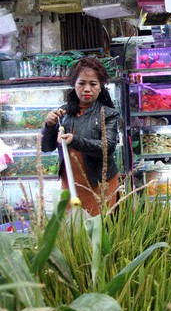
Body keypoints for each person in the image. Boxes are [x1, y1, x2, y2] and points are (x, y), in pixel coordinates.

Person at [41, 57, 120, 216]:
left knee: (100, 229)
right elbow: (46, 147)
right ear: (74, 85)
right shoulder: (64, 113)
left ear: (100, 87)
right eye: (81, 83)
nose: (87, 89)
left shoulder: (109, 114)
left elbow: (108, 147)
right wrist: (48, 127)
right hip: (70, 182)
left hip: (100, 184)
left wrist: (75, 141)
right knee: (77, 232)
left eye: (93, 84)